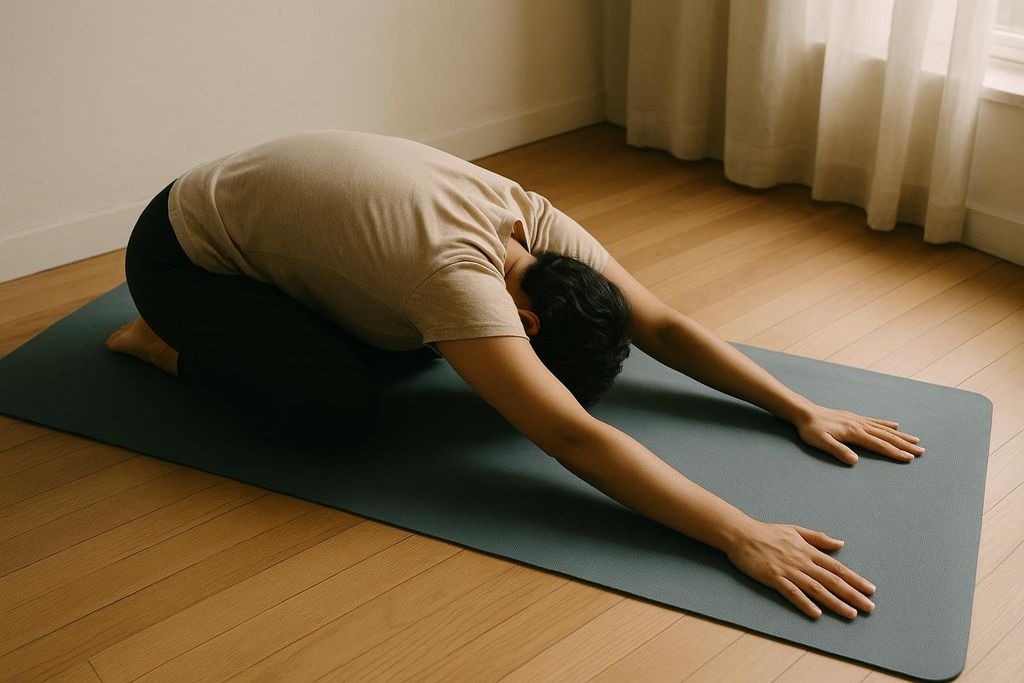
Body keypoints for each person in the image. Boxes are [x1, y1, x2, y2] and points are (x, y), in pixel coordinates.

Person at [107, 130, 924, 621]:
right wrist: (739, 531)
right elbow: (571, 433)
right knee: (339, 413)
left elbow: (665, 322)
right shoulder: (452, 274)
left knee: (407, 348)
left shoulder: (535, 227)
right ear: (526, 323)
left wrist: (800, 407)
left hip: (259, 213)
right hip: (179, 256)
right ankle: (163, 345)